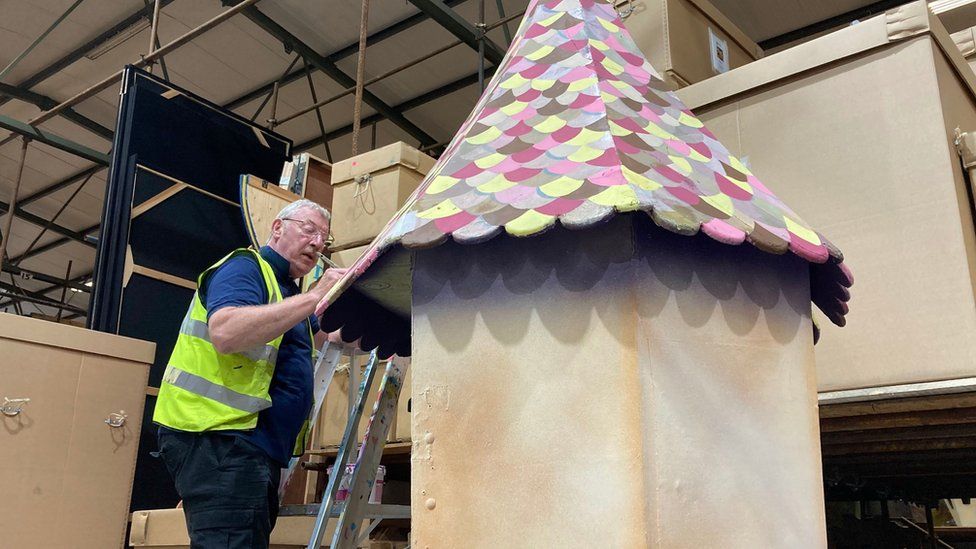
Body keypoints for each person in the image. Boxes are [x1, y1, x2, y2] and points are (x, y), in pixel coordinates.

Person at [153, 198, 347, 548]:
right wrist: (316, 295)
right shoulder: (245, 268)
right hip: (219, 438)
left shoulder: (286, 292)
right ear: (277, 227)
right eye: (309, 230)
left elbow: (328, 334)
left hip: (249, 447)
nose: (318, 243)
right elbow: (227, 332)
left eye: (324, 238)